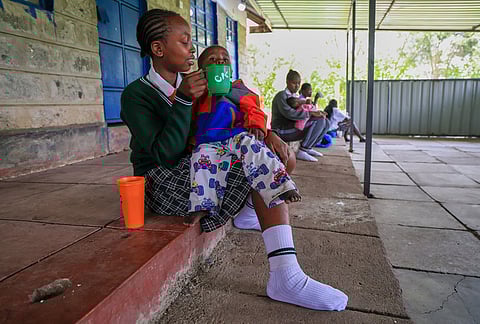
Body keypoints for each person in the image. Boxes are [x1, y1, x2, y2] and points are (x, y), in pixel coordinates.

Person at [121, 9, 347, 311]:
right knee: (259, 163)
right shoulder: (137, 95)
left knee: (264, 152)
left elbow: (232, 120)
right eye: (185, 43)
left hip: (196, 167)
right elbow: (166, 154)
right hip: (160, 181)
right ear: (158, 49)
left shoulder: (194, 85)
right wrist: (185, 100)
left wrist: (266, 132)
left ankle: (270, 247)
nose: (192, 50)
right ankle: (285, 276)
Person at [188, 45, 301, 222]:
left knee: (255, 148)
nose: (219, 61)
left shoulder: (238, 89)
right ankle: (202, 205)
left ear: (229, 70)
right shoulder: (195, 93)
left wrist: (256, 125)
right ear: (201, 70)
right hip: (208, 141)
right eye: (212, 60)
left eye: (224, 60)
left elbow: (253, 108)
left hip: (236, 135)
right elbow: (185, 117)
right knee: (200, 162)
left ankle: (281, 186)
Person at [271, 70, 330, 162]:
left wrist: (317, 112)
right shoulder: (282, 96)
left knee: (325, 121)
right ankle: (303, 150)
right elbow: (290, 114)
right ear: (287, 82)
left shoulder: (295, 96)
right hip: (281, 130)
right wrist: (310, 113)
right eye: (294, 83)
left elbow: (304, 110)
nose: (297, 86)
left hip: (293, 127)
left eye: (298, 83)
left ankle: (309, 147)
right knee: (319, 121)